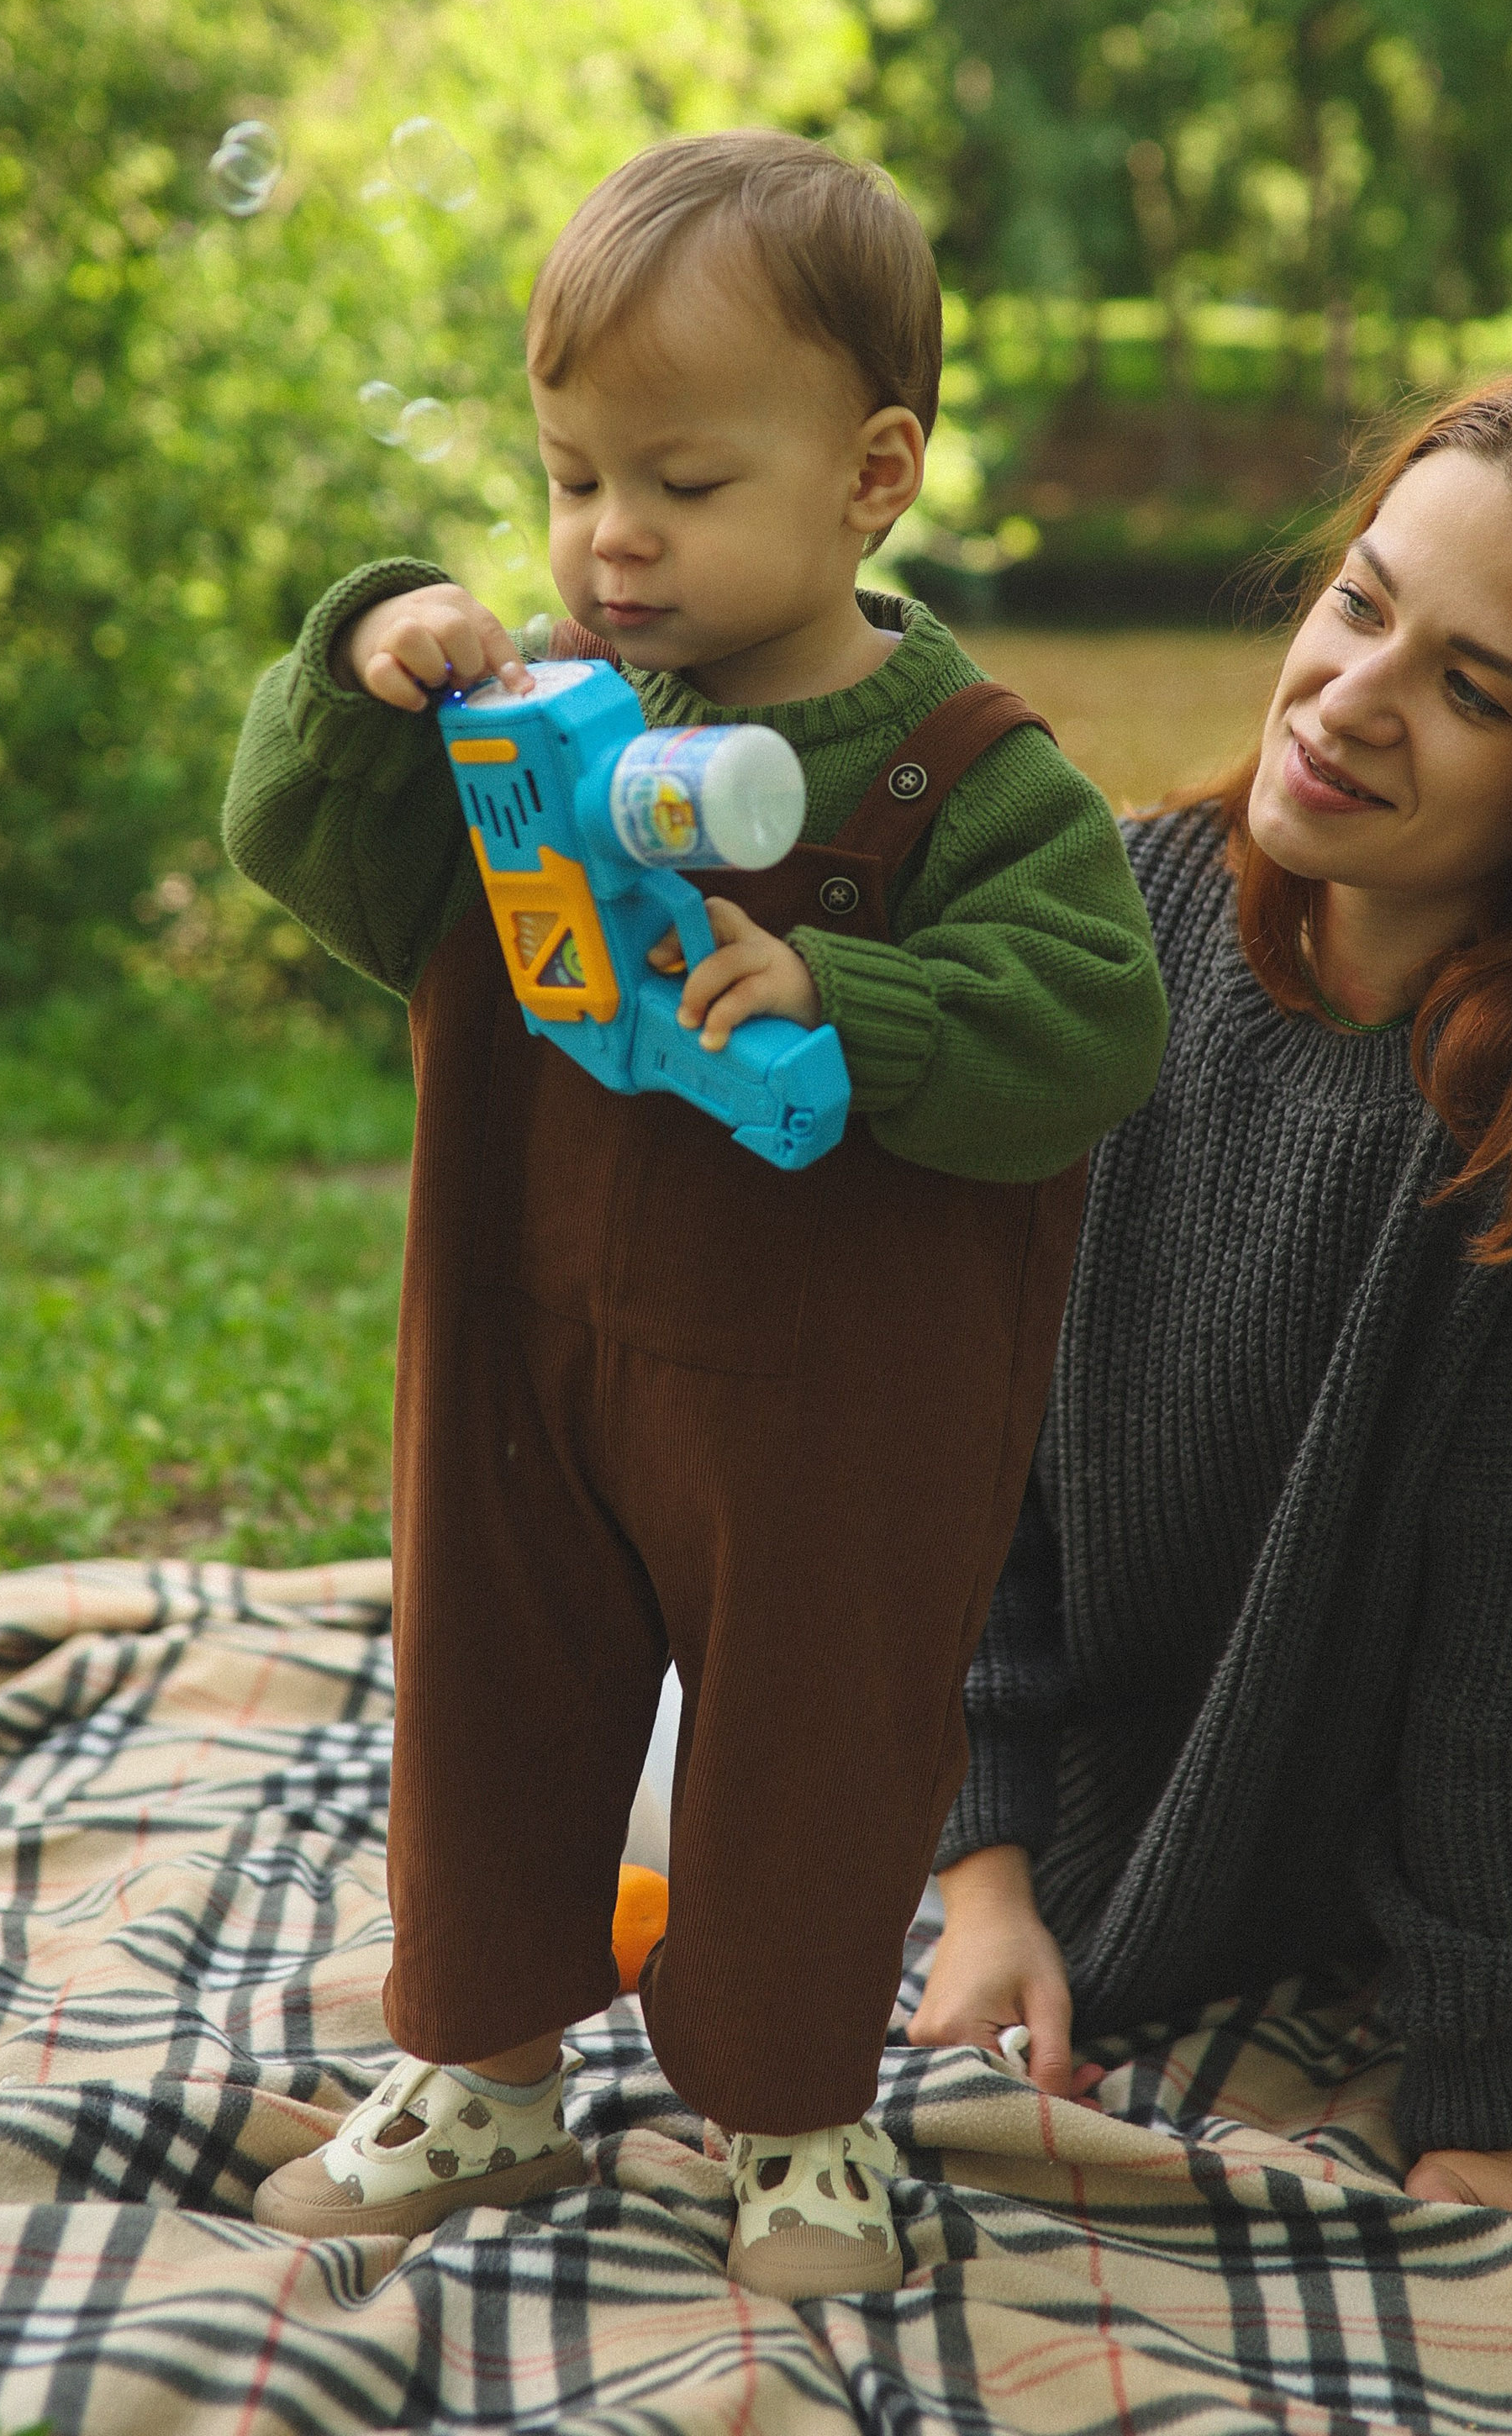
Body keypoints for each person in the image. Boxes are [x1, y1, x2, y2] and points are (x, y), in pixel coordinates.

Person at [222, 129, 1168, 2294]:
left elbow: (1099, 1030)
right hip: (527, 1320)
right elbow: (320, 863)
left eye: (680, 483)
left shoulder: (972, 774)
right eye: (568, 477)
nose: (607, 539)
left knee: (817, 1729)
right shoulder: (533, 726)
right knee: (490, 1680)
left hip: (840, 1386)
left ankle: (793, 2109)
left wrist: (856, 984)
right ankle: (481, 2064)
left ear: (870, 474)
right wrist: (364, 657)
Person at [912, 366, 1512, 2260]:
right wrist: (977, 1867)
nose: (1348, 697)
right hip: (966, 1760)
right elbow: (943, 1448)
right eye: (1359, 602)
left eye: (1472, 688)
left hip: (1295, 1877)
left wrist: (1484, 2101)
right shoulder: (1116, 935)